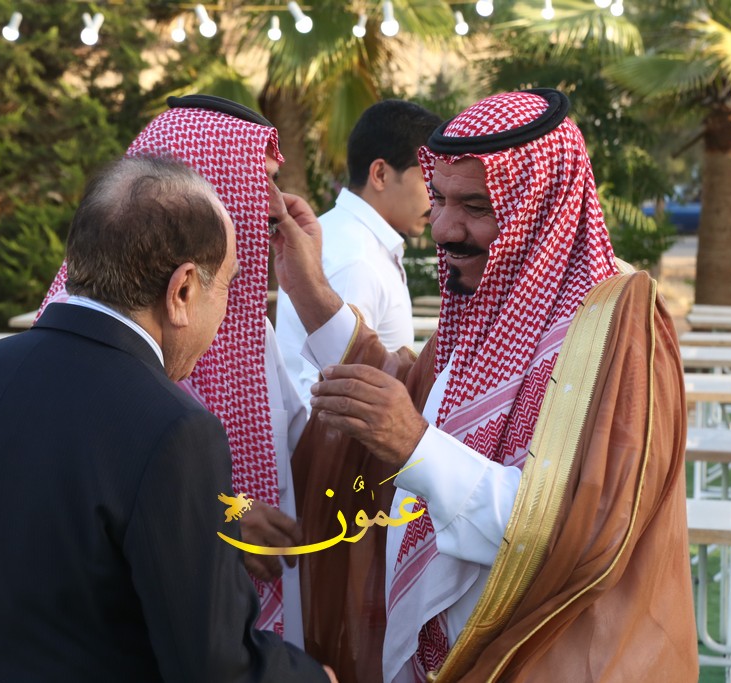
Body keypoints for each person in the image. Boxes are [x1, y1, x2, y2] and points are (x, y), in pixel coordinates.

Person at [273, 89, 698, 682]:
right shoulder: (485, 306)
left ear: (540, 209)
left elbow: (584, 528)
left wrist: (415, 447)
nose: (444, 228)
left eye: (475, 206)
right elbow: (413, 400)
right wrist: (308, 289)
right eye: (440, 200)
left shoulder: (619, 331)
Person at [0, 156, 334, 682]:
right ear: (183, 290)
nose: (226, 312)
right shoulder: (176, 428)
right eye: (227, 285)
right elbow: (214, 664)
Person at [36, 95, 308, 646]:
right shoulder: (83, 342)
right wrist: (217, 526)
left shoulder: (247, 328)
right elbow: (78, 489)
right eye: (261, 182)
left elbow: (298, 440)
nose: (277, 206)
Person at [275, 100, 442, 408]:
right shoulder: (355, 259)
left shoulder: (354, 241)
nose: (437, 196)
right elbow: (328, 397)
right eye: (428, 179)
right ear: (380, 174)